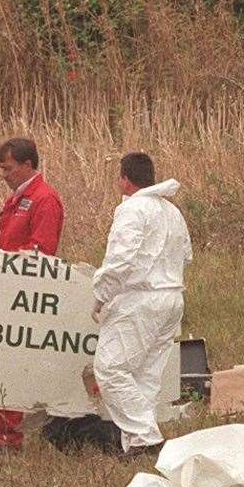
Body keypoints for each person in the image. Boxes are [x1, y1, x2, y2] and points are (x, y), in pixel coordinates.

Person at [91, 152, 192, 454]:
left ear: (124, 178)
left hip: (141, 299)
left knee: (110, 369)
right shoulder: (171, 211)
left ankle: (146, 437)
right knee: (144, 375)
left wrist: (100, 295)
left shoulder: (132, 210)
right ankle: (136, 444)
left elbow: (120, 259)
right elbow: (186, 255)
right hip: (172, 297)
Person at [0, 137, 65, 452]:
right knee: (0, 363)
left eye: (8, 168)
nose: (3, 175)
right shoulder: (17, 198)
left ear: (27, 165)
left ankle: (11, 438)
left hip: (26, 295)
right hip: (6, 289)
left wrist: (3, 261)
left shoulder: (44, 199)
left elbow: (42, 252)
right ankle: (4, 434)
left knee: (13, 364)